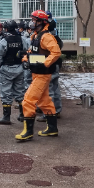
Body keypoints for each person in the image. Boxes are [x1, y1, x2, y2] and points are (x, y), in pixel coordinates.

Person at [16, 10, 62, 141]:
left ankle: (28, 132)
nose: (32, 22)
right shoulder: (36, 36)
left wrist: (45, 64)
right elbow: (34, 52)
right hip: (37, 73)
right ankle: (52, 129)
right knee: (44, 101)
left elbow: (56, 52)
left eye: (34, 20)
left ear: (41, 22)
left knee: (28, 100)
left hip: (43, 74)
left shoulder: (46, 36)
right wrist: (25, 56)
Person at [0, 20, 28, 125]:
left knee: (6, 93)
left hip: (6, 70)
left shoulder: (3, 41)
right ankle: (23, 114)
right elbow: (26, 52)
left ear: (6, 29)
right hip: (19, 69)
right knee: (20, 92)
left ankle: (6, 116)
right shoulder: (22, 39)